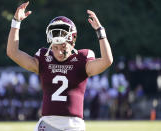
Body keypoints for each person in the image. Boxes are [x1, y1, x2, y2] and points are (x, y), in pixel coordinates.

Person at [7, 1, 113, 131]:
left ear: (72, 42)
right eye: (55, 47)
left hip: (74, 126)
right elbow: (12, 52)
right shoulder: (44, 58)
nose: (58, 52)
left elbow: (107, 61)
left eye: (63, 47)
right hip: (47, 124)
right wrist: (16, 22)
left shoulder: (82, 59)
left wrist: (100, 31)